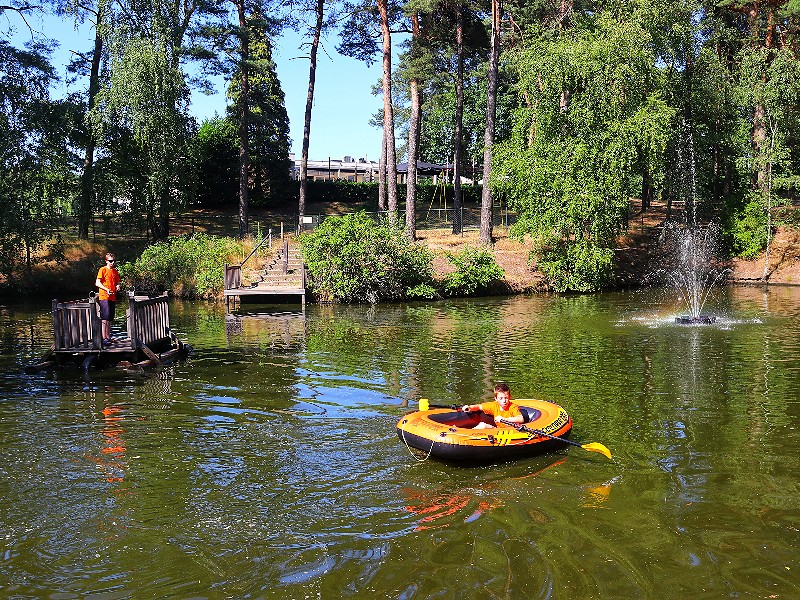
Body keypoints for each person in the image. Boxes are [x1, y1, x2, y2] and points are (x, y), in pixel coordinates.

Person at [95, 253, 121, 347]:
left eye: (114, 261)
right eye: (110, 261)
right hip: (104, 297)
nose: (112, 262)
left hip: (112, 297)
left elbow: (117, 281)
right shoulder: (103, 269)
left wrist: (118, 286)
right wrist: (106, 289)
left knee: (110, 317)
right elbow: (97, 283)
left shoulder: (115, 271)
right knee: (105, 318)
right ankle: (104, 338)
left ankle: (108, 337)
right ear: (106, 261)